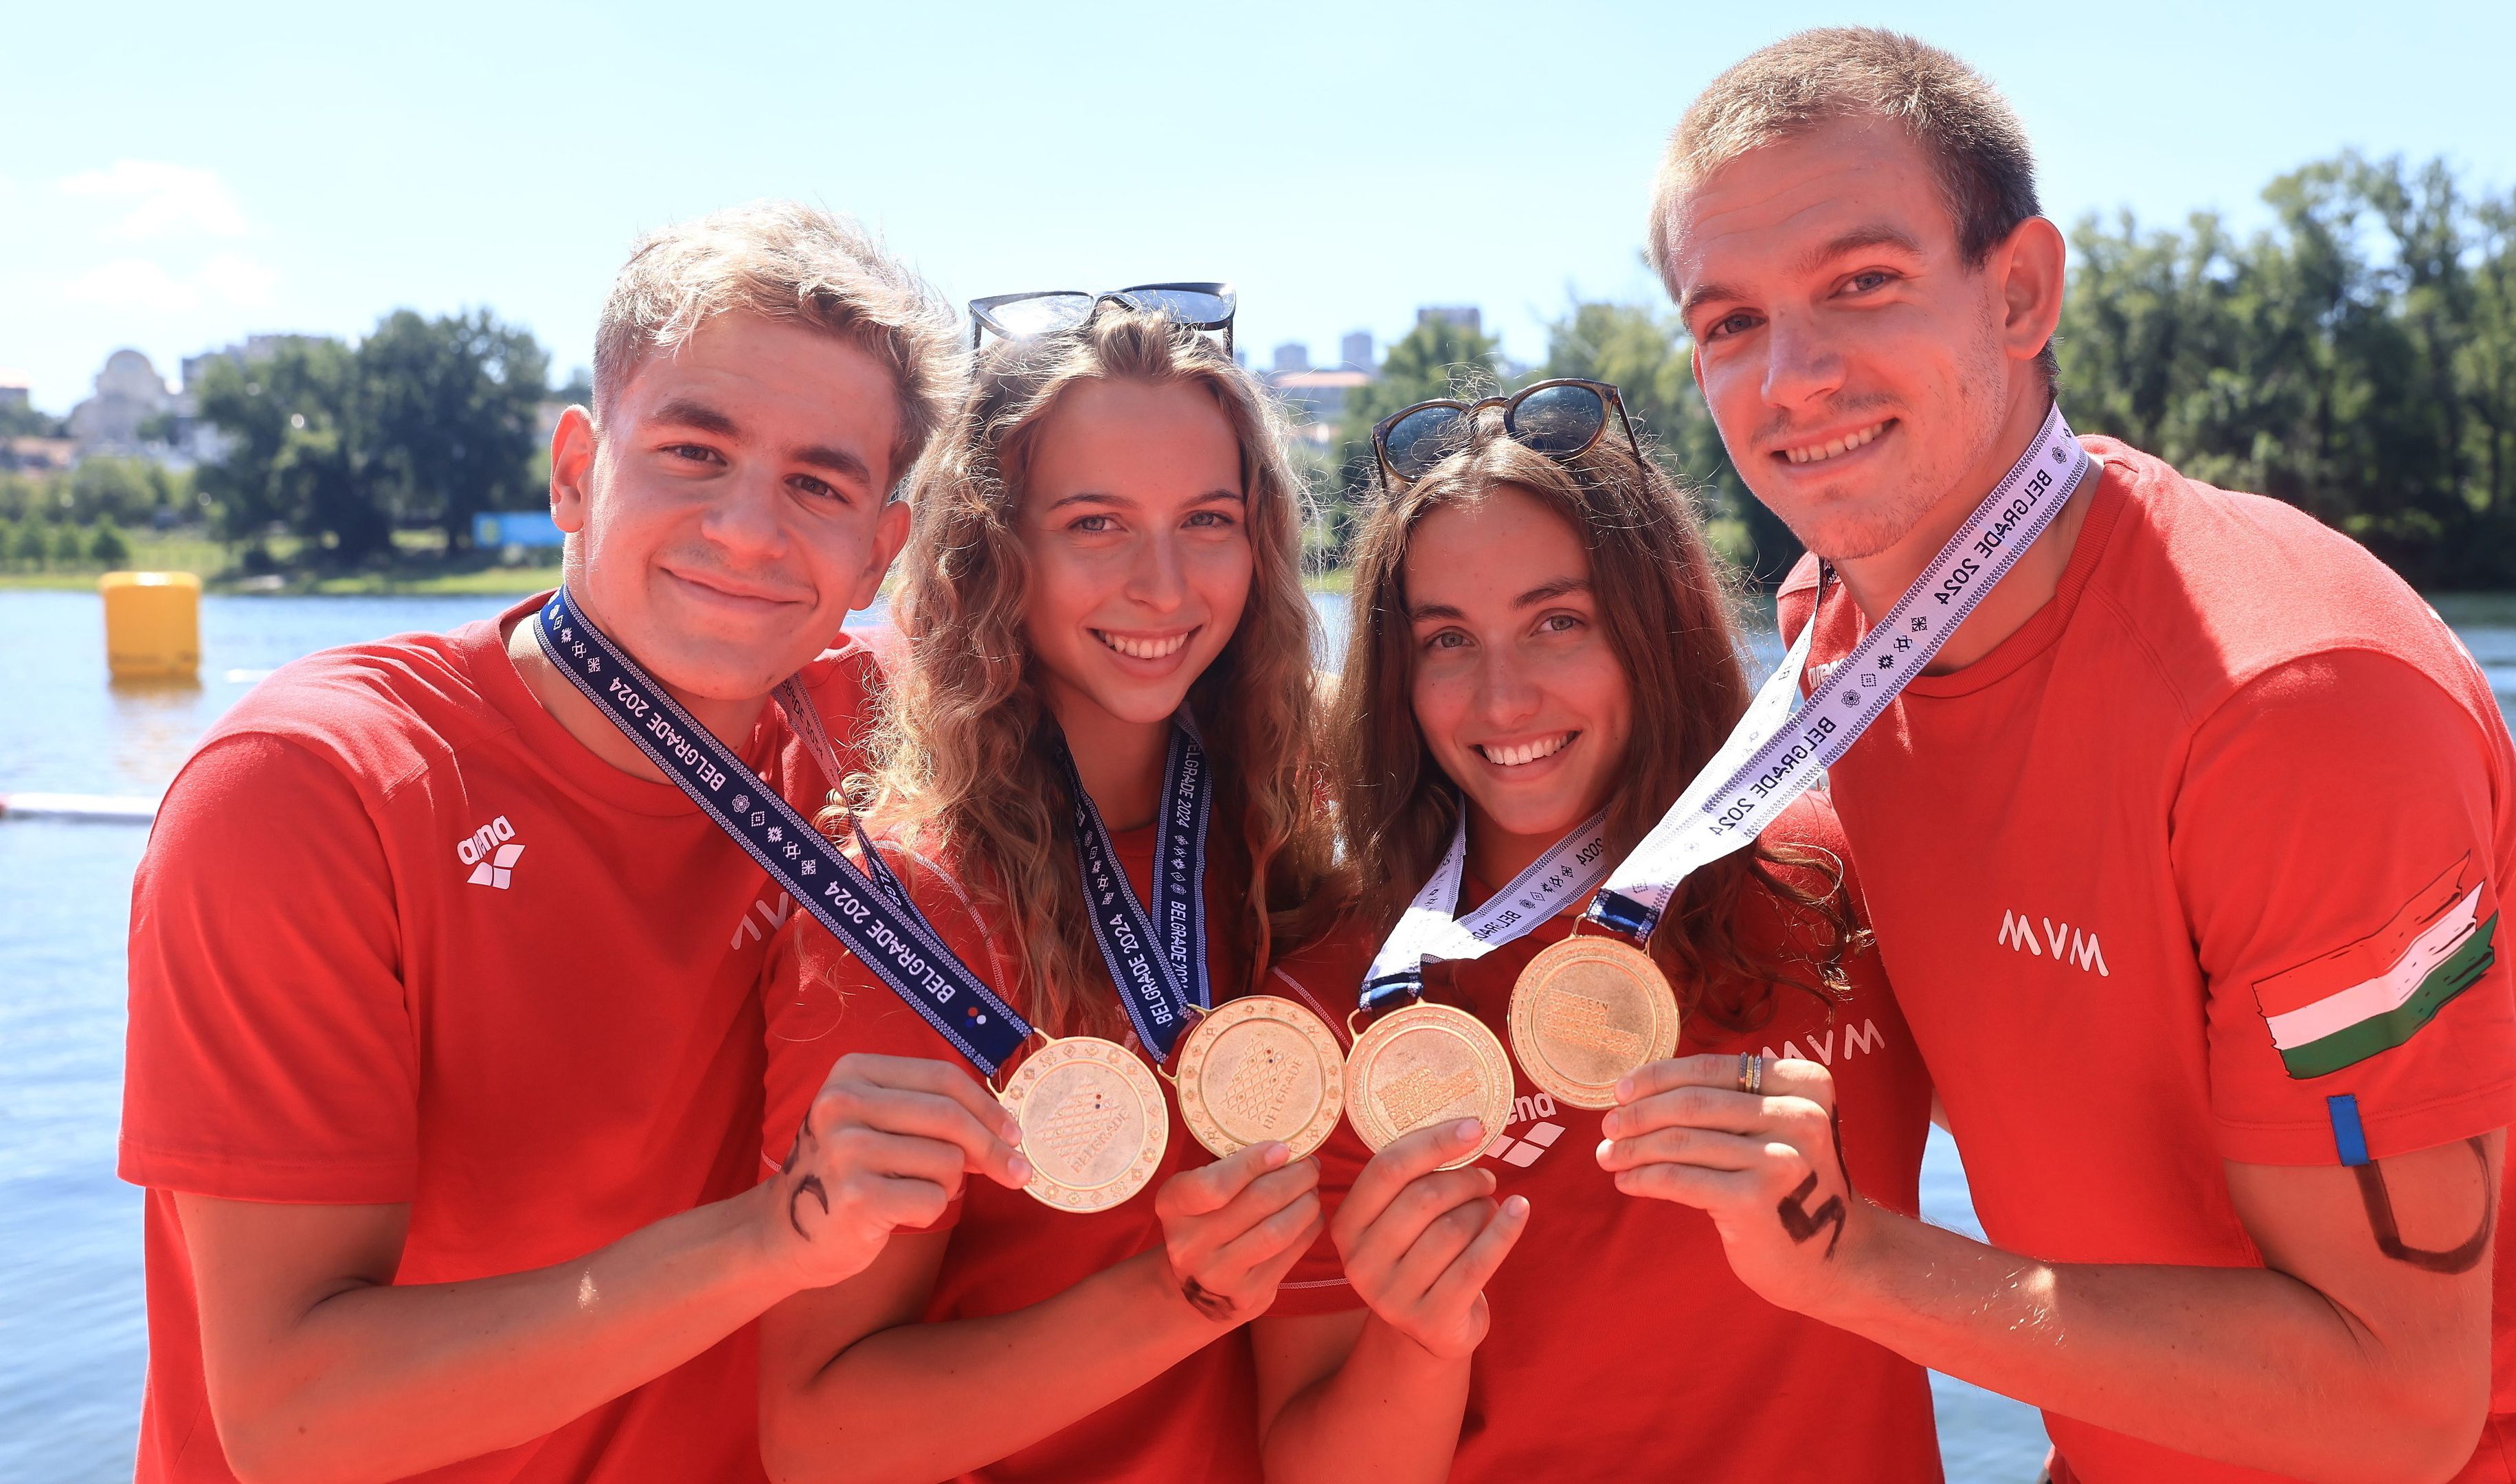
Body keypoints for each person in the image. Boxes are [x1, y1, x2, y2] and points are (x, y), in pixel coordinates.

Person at [1612, 26, 2516, 1482]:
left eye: (1863, 283)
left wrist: (1851, 1261)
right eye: (1728, 323)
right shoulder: (1830, 648)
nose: (1791, 376)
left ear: (2022, 291)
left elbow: (2399, 1409)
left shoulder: (2292, 709)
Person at [118, 201, 1028, 1484]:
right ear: (573, 473)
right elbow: (290, 1418)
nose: (752, 529)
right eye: (694, 453)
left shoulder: (858, 729)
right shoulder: (317, 790)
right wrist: (780, 1236)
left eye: (818, 485)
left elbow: (1166, 658)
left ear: (881, 552)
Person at [1246, 379, 1943, 1481]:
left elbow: (2073, 1170)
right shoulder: (1333, 1010)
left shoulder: (1839, 871)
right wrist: (1419, 1342)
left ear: (1655, 630)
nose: (1503, 698)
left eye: (1557, 622)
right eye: (1446, 641)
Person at [753, 299, 1351, 1484]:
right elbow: (819, 1436)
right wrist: (1178, 1295)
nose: (1164, 583)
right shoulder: (909, 912)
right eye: (1096, 524)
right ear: (991, 552)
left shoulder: (1303, 837)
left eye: (1208, 522)